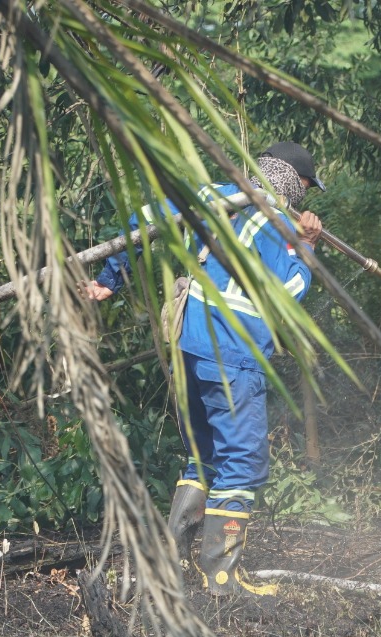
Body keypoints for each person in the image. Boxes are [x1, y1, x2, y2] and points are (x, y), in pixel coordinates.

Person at [86, 142, 325, 598]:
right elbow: (287, 289)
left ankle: (170, 568)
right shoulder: (279, 224)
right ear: (297, 182)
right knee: (241, 462)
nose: (304, 201)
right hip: (234, 356)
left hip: (189, 349)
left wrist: (107, 280)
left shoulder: (211, 196)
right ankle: (221, 578)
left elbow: (141, 222)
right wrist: (306, 248)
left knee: (205, 456)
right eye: (306, 189)